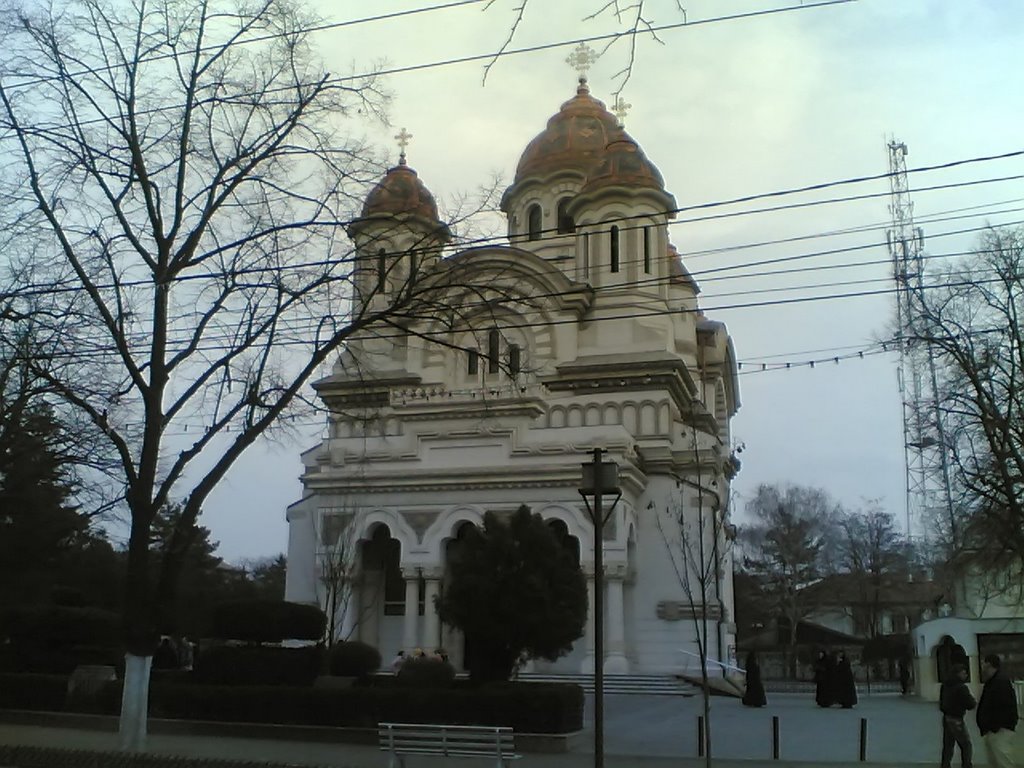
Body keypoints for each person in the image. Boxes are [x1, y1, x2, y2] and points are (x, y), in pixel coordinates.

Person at [976, 654, 1018, 768]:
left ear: (989, 664)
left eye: (983, 663)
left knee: (1003, 762)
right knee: (996, 762)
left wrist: (993, 726)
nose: (982, 666)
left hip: (999, 730)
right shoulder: (993, 681)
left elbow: (1004, 706)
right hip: (993, 730)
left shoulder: (1000, 682)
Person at [939, 663, 975, 768]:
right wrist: (973, 701)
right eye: (964, 673)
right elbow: (970, 704)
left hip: (947, 717)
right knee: (966, 745)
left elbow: (942, 703)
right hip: (957, 718)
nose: (966, 675)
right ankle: (966, 765)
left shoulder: (945, 685)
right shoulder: (961, 687)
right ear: (958, 674)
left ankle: (945, 765)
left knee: (948, 746)